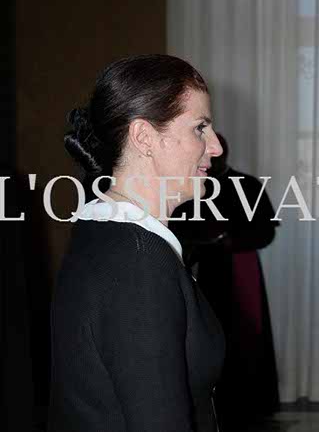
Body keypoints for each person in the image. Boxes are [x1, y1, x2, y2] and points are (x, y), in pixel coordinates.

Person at [50, 54, 225, 431]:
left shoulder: (104, 232)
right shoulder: (139, 263)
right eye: (200, 128)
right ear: (144, 137)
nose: (216, 147)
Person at [170, 132, 280, 430]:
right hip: (200, 270)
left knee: (246, 336)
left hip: (239, 269)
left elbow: (266, 231)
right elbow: (177, 226)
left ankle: (249, 407)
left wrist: (228, 239)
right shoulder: (188, 186)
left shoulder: (247, 185)